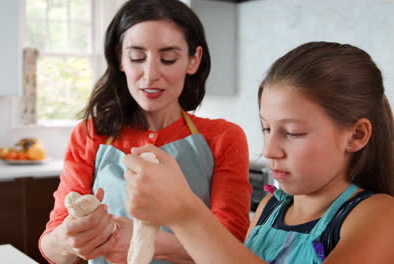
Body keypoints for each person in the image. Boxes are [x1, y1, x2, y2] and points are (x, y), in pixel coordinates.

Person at [124, 41, 394, 263]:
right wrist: (164, 243)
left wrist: (185, 213)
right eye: (266, 129)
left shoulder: (380, 216)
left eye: (293, 133)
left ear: (356, 135)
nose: (269, 150)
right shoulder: (271, 208)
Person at [39, 0, 252, 263]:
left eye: (168, 59)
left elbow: (232, 246)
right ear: (119, 58)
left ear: (193, 60)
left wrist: (153, 243)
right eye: (137, 57)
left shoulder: (223, 137)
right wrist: (68, 240)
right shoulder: (91, 134)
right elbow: (52, 249)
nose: (150, 74)